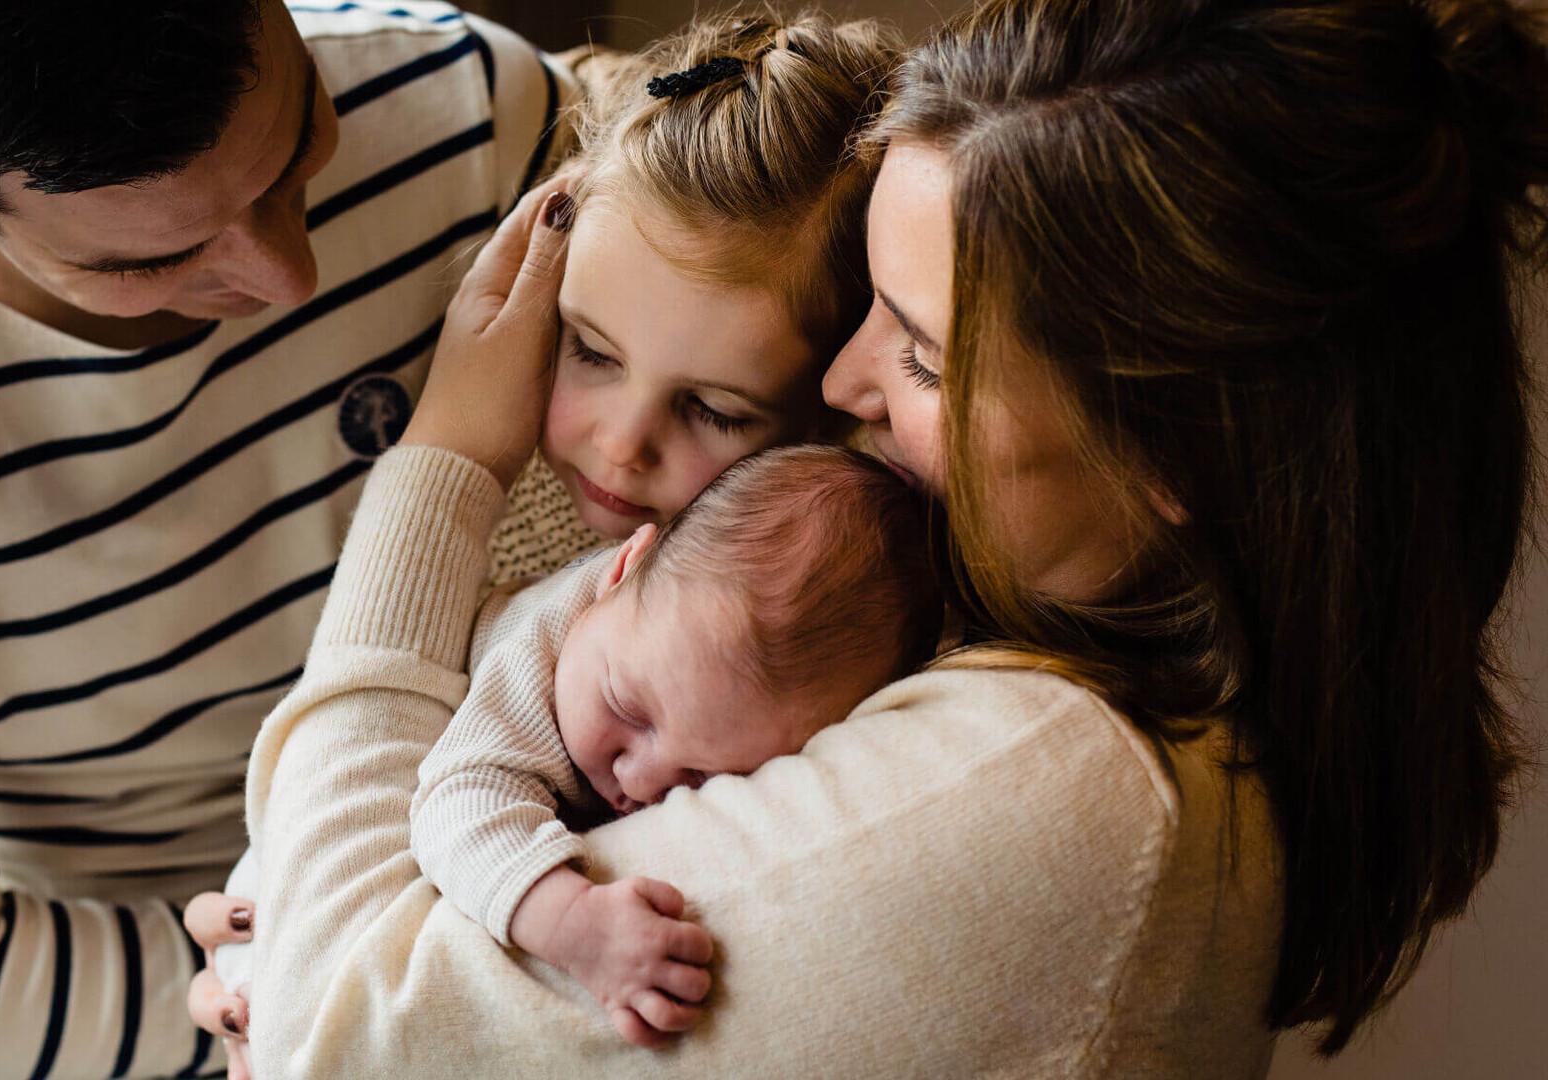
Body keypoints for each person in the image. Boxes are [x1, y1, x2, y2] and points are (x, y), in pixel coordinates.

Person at [188, 0, 1544, 1075]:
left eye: (918, 349)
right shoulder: (995, 635)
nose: (838, 394)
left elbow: (339, 1039)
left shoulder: (1052, 792)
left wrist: (439, 468)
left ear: (1184, 448)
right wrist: (301, 898)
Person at [0, 2, 577, 1076]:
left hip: (507, 865)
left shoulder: (473, 109)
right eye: (158, 258)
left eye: (297, 148)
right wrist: (329, 985)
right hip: (157, 1003)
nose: (290, 277)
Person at [217, 445, 942, 1046]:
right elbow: (458, 807)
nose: (640, 776)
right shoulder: (534, 657)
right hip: (303, 877)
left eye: (704, 774)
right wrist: (576, 928)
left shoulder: (640, 651)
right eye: (629, 709)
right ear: (622, 568)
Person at [481, 12, 902, 584]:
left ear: (830, 422)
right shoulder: (486, 490)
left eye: (714, 412)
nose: (623, 443)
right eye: (593, 352)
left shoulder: (826, 590)